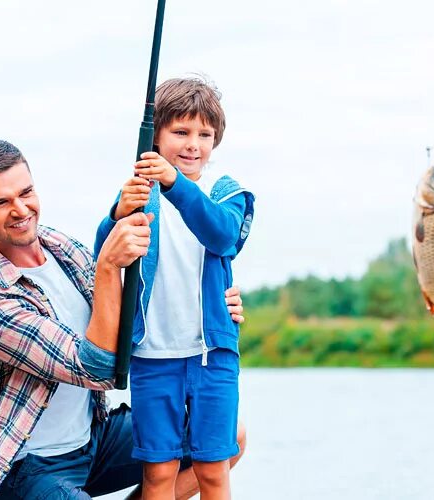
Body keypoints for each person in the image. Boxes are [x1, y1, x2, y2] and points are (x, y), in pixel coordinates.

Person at [0, 138, 246, 500]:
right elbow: (94, 368)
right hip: (27, 466)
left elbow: (128, 313)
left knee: (228, 438)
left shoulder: (61, 248)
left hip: (93, 441)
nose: (20, 209)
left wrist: (213, 305)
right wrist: (108, 264)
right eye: (0, 202)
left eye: (25, 192)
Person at [94, 77, 255, 500]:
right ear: (157, 135)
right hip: (152, 357)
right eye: (180, 132)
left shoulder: (226, 192)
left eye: (204, 134)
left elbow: (222, 235)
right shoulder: (140, 193)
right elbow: (105, 257)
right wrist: (117, 212)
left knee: (212, 469)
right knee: (159, 474)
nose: (193, 144)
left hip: (211, 358)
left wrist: (173, 185)